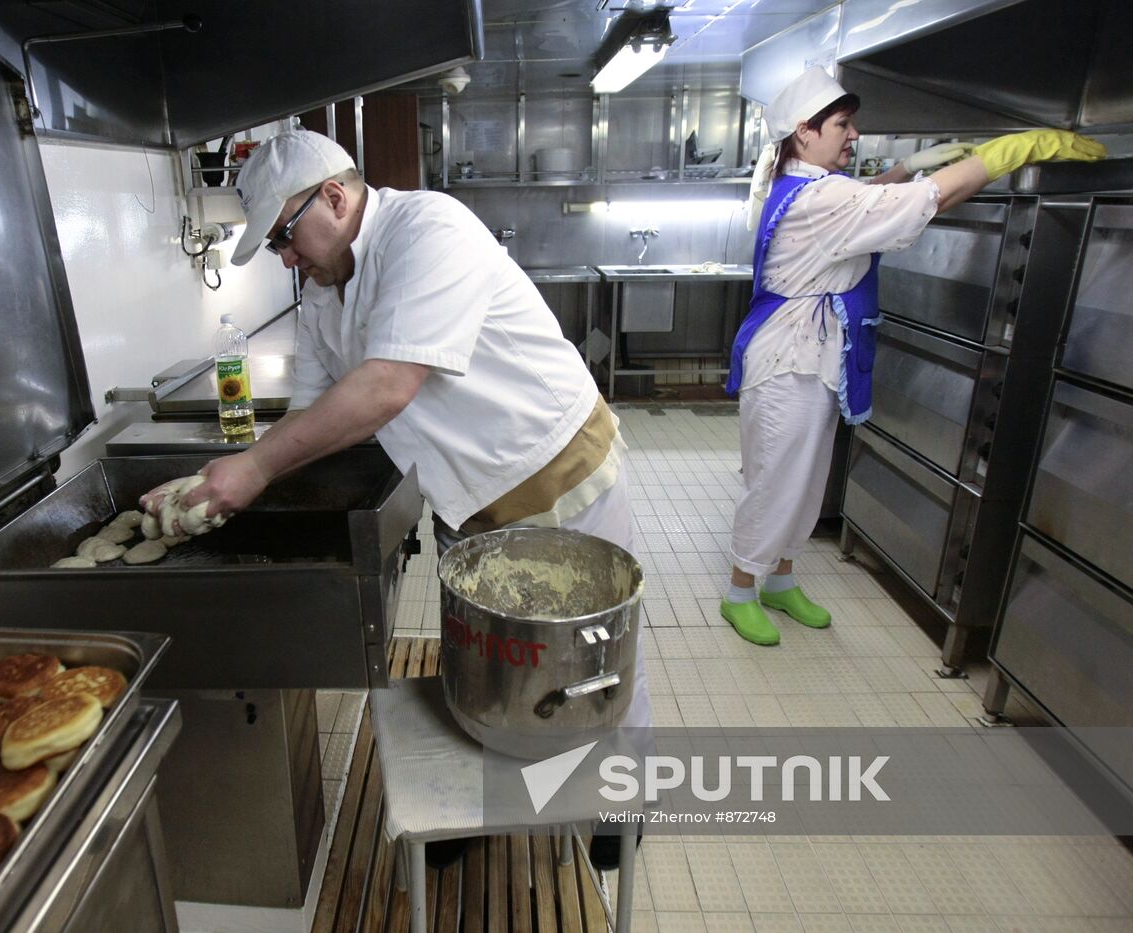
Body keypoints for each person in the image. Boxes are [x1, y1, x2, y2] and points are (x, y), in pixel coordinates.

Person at [141, 130, 648, 866]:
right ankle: (483, 802)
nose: (286, 257)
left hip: (556, 472)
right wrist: (234, 483)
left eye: (284, 235)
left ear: (337, 198)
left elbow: (385, 385)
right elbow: (317, 416)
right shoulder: (321, 295)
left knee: (598, 655)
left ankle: (621, 799)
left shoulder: (427, 229)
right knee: (483, 660)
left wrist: (251, 471)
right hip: (467, 502)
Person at [719, 67, 1105, 646]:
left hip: (813, 356)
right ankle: (740, 590)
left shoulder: (804, 185)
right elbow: (925, 200)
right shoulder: (818, 198)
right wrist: (1007, 152)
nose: (853, 136)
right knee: (776, 480)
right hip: (788, 362)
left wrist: (907, 168)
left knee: (806, 477)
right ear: (805, 132)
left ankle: (780, 581)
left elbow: (867, 199)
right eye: (843, 125)